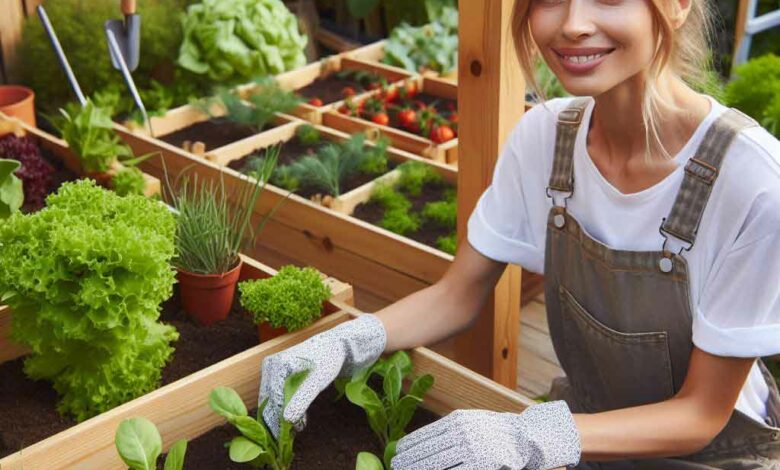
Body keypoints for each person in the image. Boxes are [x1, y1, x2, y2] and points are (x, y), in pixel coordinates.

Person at [257, 0, 780, 467]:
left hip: (714, 455)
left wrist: (531, 434)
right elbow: (457, 294)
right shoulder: (546, 138)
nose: (574, 23)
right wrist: (349, 340)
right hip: (587, 430)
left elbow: (701, 414)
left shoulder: (752, 181)